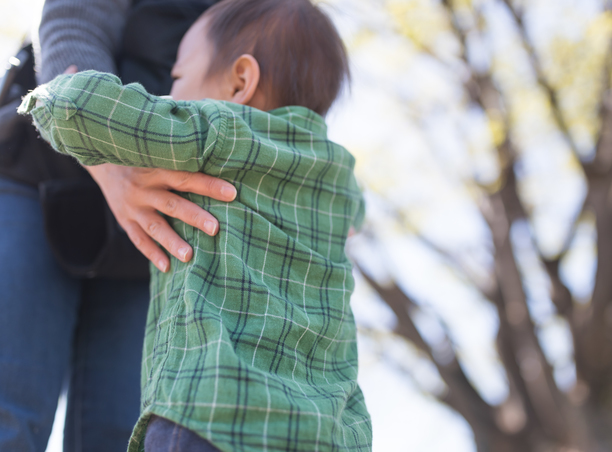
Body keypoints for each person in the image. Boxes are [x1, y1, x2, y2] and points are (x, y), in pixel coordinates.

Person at [20, 0, 373, 451]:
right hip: (324, 432)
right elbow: (353, 222)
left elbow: (83, 109)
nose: (168, 93)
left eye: (179, 78)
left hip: (209, 413)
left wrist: (54, 94)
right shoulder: (341, 180)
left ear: (240, 82)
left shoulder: (215, 132)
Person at [0, 0, 234, 451]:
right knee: (6, 421)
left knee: (118, 437)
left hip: (154, 226)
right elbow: (72, 26)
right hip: (34, 171)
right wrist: (111, 168)